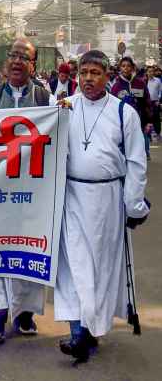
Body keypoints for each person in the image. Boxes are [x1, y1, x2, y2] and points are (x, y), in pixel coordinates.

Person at [54, 50, 150, 363]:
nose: (89, 79)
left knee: (100, 268)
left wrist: (134, 205)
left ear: (107, 76)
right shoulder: (64, 108)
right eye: (84, 73)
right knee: (74, 267)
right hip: (72, 197)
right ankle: (78, 333)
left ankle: (90, 330)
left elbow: (136, 162)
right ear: (77, 75)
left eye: (95, 73)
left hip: (108, 200)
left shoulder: (124, 112)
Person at [0, 38, 51, 344]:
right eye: (13, 56)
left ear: (33, 65)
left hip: (32, 192)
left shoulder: (46, 98)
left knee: (27, 249)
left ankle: (25, 313)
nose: (17, 61)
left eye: (24, 58)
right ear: (6, 63)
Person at [110, 56, 153, 160]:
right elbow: (111, 107)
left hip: (139, 122)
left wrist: (148, 122)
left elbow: (147, 103)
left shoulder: (140, 84)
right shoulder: (116, 86)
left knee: (139, 150)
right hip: (121, 124)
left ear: (133, 68)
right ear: (120, 68)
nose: (126, 68)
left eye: (128, 66)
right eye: (123, 66)